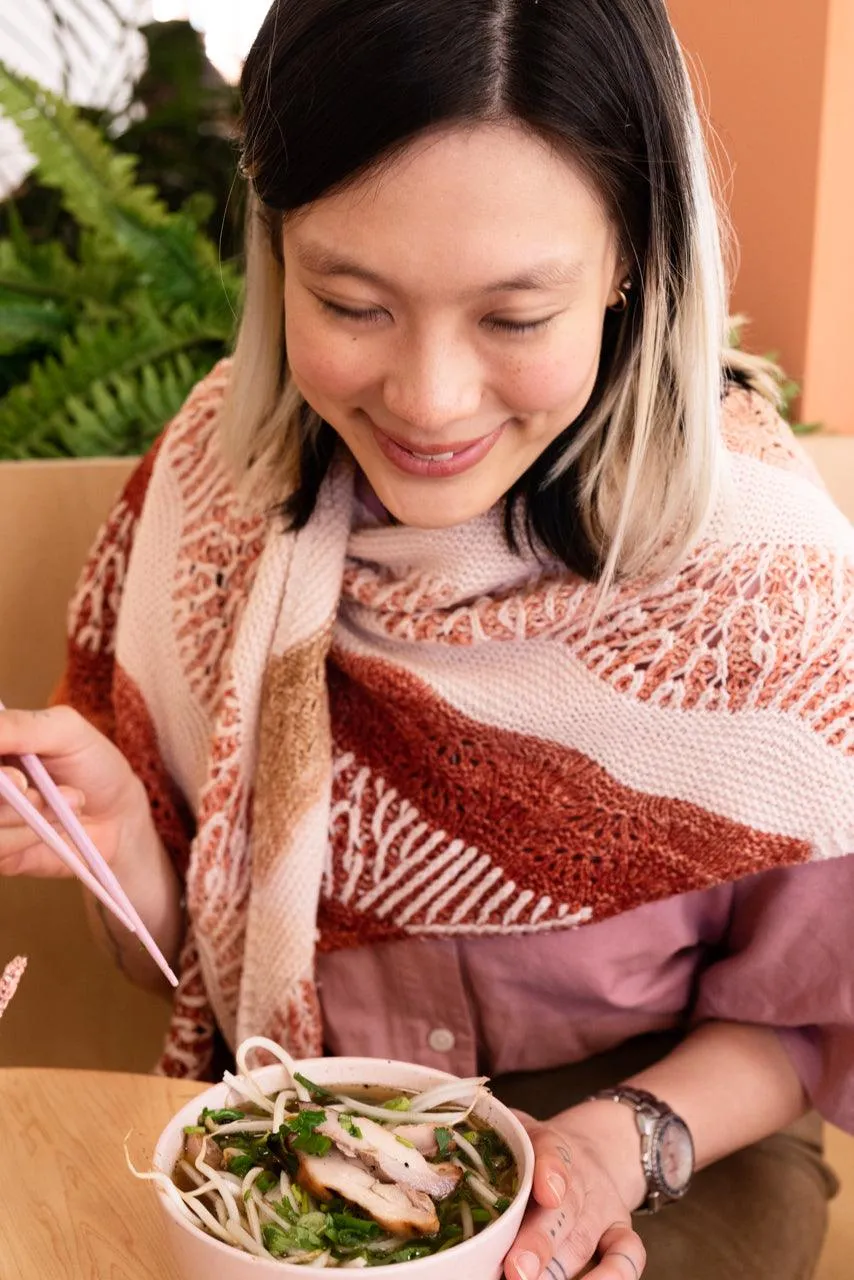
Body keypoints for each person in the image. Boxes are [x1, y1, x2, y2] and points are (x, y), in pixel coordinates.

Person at [1, 1, 852, 1276]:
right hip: (296, 1128)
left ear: (632, 259)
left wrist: (614, 1150)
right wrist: (130, 834)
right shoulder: (204, 500)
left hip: (664, 1134)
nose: (428, 399)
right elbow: (188, 964)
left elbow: (802, 1014)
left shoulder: (764, 582)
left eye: (514, 318)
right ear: (276, 247)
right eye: (351, 300)